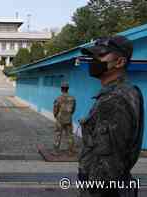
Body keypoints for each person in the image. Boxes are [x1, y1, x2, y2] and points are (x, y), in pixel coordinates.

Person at [78, 35, 144, 197]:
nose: (94, 61)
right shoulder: (127, 91)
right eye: (93, 56)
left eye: (101, 56)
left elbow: (108, 161)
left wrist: (93, 188)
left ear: (120, 62)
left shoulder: (114, 100)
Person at [53, 81, 76, 155]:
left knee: (58, 134)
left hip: (60, 119)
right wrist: (69, 114)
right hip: (68, 118)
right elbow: (73, 109)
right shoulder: (72, 98)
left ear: (61, 89)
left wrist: (55, 116)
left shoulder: (58, 98)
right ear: (67, 89)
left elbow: (55, 109)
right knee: (69, 135)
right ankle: (70, 151)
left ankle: (56, 151)